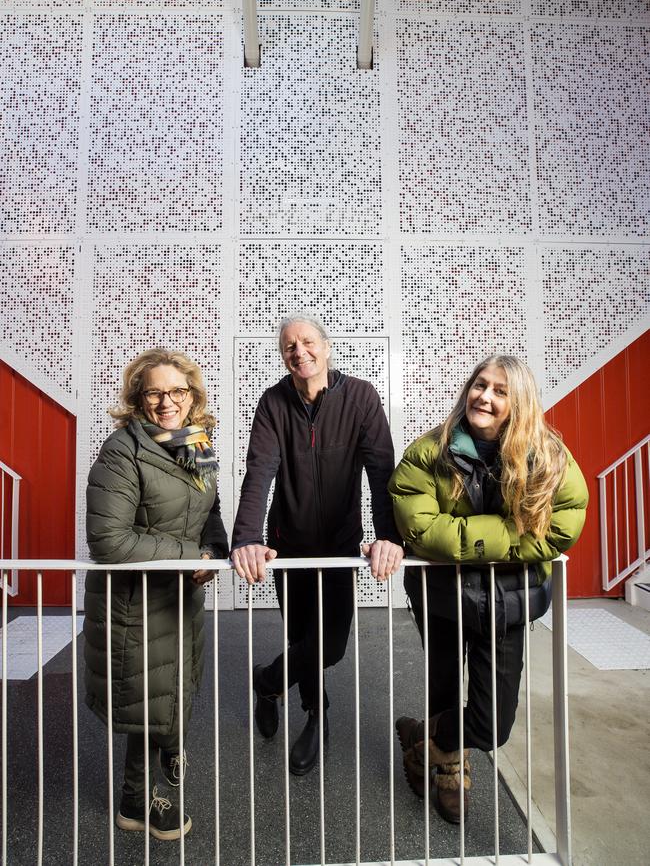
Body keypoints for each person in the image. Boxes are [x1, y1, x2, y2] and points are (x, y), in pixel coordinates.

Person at [388, 355, 588, 823]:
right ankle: (449, 771)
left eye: (500, 390)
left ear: (518, 402)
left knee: (492, 723)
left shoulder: (549, 455)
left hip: (508, 602)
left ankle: (424, 743)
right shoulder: (430, 452)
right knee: (442, 683)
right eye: (480, 385)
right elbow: (420, 529)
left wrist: (465, 537)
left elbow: (562, 526)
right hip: (442, 596)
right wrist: (512, 532)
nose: (485, 396)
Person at [231, 314, 404, 775]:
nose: (299, 352)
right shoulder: (272, 403)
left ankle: (268, 682)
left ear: (326, 348)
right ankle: (315, 715)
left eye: (308, 342)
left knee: (330, 647)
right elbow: (259, 473)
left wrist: (387, 537)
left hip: (339, 545)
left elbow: (380, 471)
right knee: (302, 637)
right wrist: (247, 538)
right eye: (289, 346)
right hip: (287, 545)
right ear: (282, 356)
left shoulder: (361, 397)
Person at [84, 348, 229, 840]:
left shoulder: (197, 444)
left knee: (170, 697)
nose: (167, 402)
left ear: (192, 395)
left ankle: (135, 803)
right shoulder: (122, 449)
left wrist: (214, 550)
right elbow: (109, 540)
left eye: (177, 391)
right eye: (155, 393)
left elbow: (209, 511)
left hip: (180, 599)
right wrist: (193, 554)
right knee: (153, 705)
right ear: (138, 398)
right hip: (135, 604)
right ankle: (155, 805)